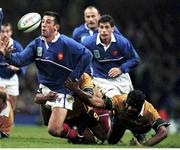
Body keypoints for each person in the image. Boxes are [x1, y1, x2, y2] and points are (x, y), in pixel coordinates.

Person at [0, 11, 92, 142]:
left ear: (56, 27)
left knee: (53, 129)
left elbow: (87, 55)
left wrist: (74, 77)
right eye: (42, 22)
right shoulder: (37, 43)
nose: (43, 25)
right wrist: (7, 56)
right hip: (45, 89)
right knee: (46, 121)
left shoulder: (66, 42)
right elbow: (20, 60)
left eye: (48, 22)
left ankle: (78, 137)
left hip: (61, 90)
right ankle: (72, 124)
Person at [65, 79, 170, 146]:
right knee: (110, 142)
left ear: (141, 106)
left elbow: (163, 132)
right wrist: (77, 90)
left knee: (141, 133)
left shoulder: (149, 111)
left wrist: (144, 146)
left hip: (141, 126)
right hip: (121, 122)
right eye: (127, 104)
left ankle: (140, 135)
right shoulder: (119, 100)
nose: (128, 108)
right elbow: (96, 103)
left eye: (133, 107)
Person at [34, 72, 109, 144]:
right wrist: (46, 97)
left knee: (102, 135)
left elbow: (89, 98)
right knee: (89, 141)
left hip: (83, 113)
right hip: (65, 114)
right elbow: (37, 98)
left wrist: (76, 89)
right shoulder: (51, 77)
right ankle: (74, 135)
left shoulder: (84, 77)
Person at [83, 14, 141, 98]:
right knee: (115, 100)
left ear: (112, 29)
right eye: (101, 27)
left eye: (107, 27)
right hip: (101, 79)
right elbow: (82, 60)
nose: (104, 30)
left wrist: (120, 69)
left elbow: (135, 59)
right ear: (98, 28)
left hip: (122, 79)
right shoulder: (88, 43)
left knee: (129, 106)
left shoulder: (122, 42)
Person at [0, 22, 26, 110]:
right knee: (1, 103)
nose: (5, 34)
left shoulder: (17, 46)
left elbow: (24, 63)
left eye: (7, 31)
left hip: (12, 78)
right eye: (2, 31)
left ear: (11, 32)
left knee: (11, 108)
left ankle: (9, 123)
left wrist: (18, 68)